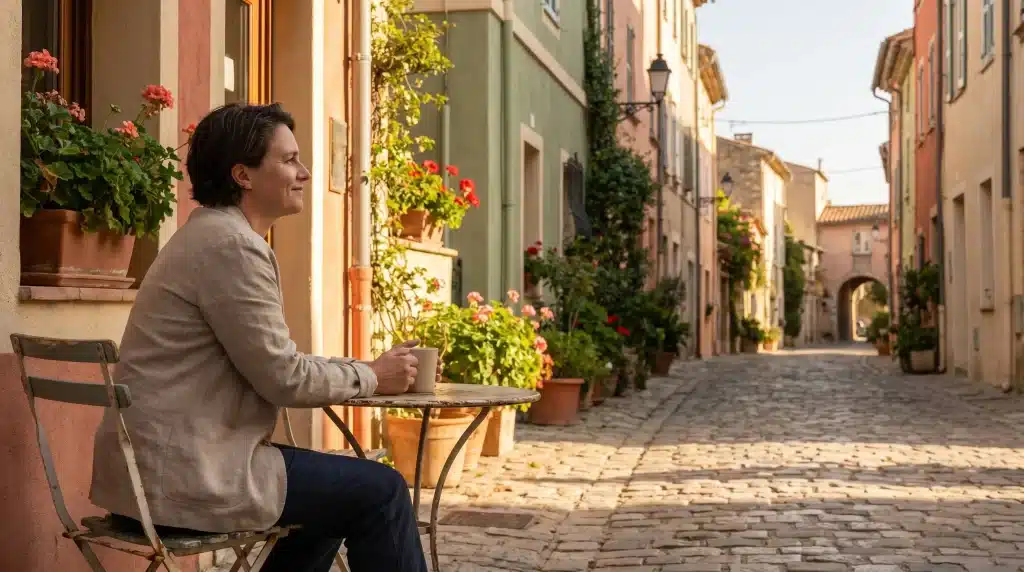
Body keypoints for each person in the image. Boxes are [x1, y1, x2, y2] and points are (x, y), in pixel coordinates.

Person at [89, 103, 429, 572]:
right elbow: (284, 379)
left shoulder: (209, 237)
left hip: (150, 475)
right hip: (185, 478)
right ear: (243, 175)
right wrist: (370, 375)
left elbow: (276, 361)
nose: (305, 172)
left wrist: (361, 371)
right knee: (382, 491)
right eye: (288, 159)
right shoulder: (232, 246)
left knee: (332, 499)